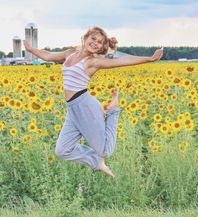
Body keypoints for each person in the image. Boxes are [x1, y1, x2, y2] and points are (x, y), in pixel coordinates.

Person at [23, 26, 163, 177]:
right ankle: (96, 162)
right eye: (93, 38)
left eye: (100, 42)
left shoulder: (93, 62)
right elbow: (48, 55)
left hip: (85, 106)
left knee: (105, 150)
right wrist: (31, 50)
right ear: (85, 38)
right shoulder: (71, 53)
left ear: (102, 47)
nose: (95, 43)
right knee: (62, 151)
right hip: (73, 109)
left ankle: (113, 111)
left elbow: (123, 60)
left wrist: (150, 58)